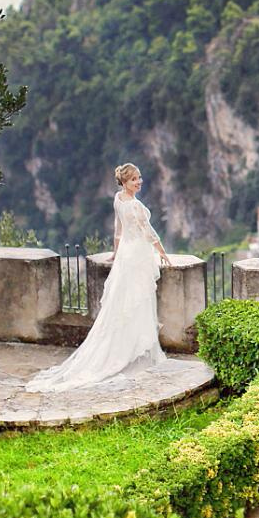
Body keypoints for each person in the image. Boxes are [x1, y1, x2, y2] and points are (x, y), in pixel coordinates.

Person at [26, 163, 172, 392]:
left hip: (126, 255)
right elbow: (148, 232)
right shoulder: (134, 205)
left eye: (139, 177)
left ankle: (129, 348)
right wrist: (162, 252)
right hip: (136, 257)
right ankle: (134, 350)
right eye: (134, 179)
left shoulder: (118, 198)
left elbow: (118, 230)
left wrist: (116, 253)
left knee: (123, 303)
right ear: (125, 182)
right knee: (138, 302)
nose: (139, 182)